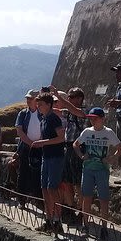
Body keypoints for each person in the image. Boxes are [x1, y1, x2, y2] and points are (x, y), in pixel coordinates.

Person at [72, 107, 121, 234]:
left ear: (102, 119)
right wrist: (81, 156)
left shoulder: (109, 133)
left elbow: (120, 148)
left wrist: (112, 158)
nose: (92, 121)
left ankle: (104, 227)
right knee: (87, 198)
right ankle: (86, 225)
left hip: (102, 170)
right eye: (90, 118)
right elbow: (75, 144)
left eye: (94, 118)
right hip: (88, 169)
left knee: (103, 199)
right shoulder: (87, 132)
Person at [51, 86, 87, 222]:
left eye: (72, 97)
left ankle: (82, 213)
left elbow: (73, 110)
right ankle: (70, 209)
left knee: (78, 183)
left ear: (79, 99)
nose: (69, 99)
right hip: (67, 148)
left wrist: (59, 97)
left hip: (78, 149)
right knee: (67, 181)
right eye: (69, 97)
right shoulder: (69, 112)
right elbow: (56, 110)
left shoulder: (83, 112)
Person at [31, 92, 65, 234]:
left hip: (56, 157)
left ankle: (57, 220)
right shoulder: (44, 119)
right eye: (38, 104)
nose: (38, 107)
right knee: (44, 188)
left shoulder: (53, 119)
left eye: (41, 104)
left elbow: (61, 138)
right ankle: (49, 219)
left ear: (49, 105)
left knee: (52, 188)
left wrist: (42, 142)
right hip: (46, 156)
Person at [14, 89, 43, 200]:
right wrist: (31, 143)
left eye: (30, 98)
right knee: (23, 172)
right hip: (26, 147)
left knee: (37, 173)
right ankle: (21, 199)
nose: (28, 100)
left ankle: (38, 198)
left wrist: (40, 142)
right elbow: (19, 131)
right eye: (27, 98)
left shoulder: (42, 113)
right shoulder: (23, 113)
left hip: (40, 147)